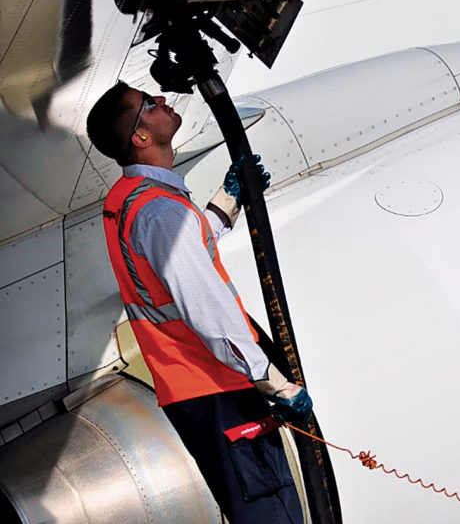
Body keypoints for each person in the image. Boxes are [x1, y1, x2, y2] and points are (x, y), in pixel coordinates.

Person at [87, 81, 310, 524]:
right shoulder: (159, 211)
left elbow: (180, 255)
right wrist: (272, 382)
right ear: (141, 137)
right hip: (216, 384)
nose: (161, 100)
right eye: (148, 104)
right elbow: (205, 306)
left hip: (195, 389)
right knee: (270, 511)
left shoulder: (130, 198)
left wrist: (227, 204)